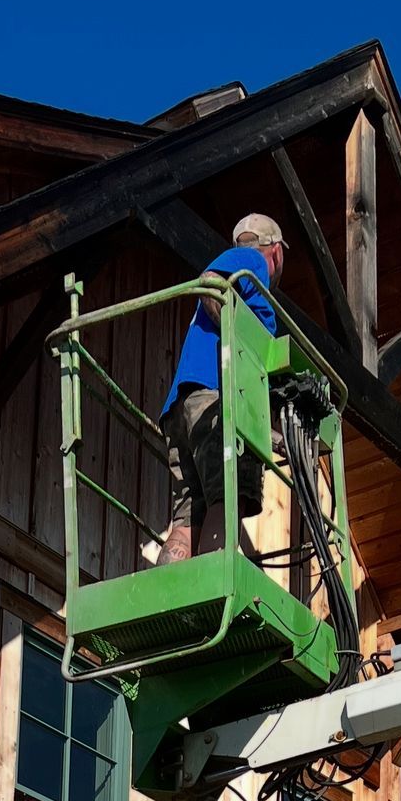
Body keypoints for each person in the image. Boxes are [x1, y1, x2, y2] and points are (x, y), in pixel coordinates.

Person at [156, 213, 285, 564]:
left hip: (180, 410)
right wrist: (236, 331)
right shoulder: (252, 262)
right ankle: (216, 580)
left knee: (188, 514)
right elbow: (210, 280)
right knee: (228, 494)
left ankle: (171, 586)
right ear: (276, 251)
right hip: (216, 399)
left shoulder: (243, 278)